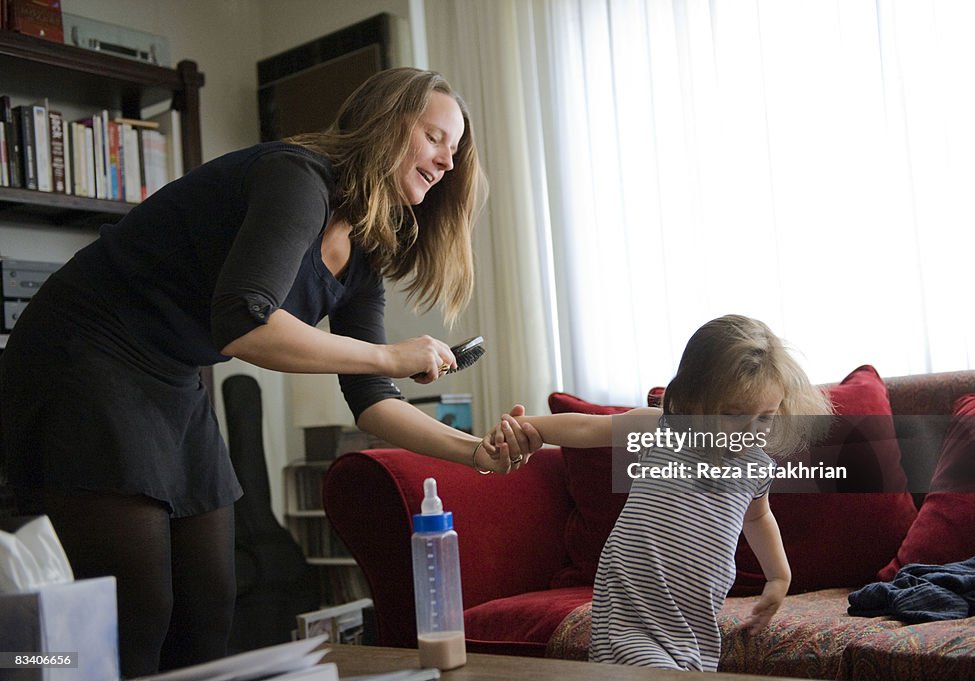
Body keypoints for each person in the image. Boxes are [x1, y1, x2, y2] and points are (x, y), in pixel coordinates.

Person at [0, 67, 539, 676]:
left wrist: (475, 454)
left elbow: (370, 398)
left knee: (209, 602)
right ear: (385, 123)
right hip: (86, 350)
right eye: (436, 137)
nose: (447, 161)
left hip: (174, 374)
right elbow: (245, 322)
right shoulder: (297, 177)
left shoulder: (364, 249)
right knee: (138, 608)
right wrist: (391, 353)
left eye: (455, 148)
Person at [490, 314, 833, 671]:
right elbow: (587, 427)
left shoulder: (757, 466)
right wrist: (525, 429)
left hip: (693, 622)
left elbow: (759, 517)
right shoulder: (662, 429)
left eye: (765, 417)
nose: (749, 430)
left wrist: (779, 576)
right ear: (692, 399)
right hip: (631, 608)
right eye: (733, 414)